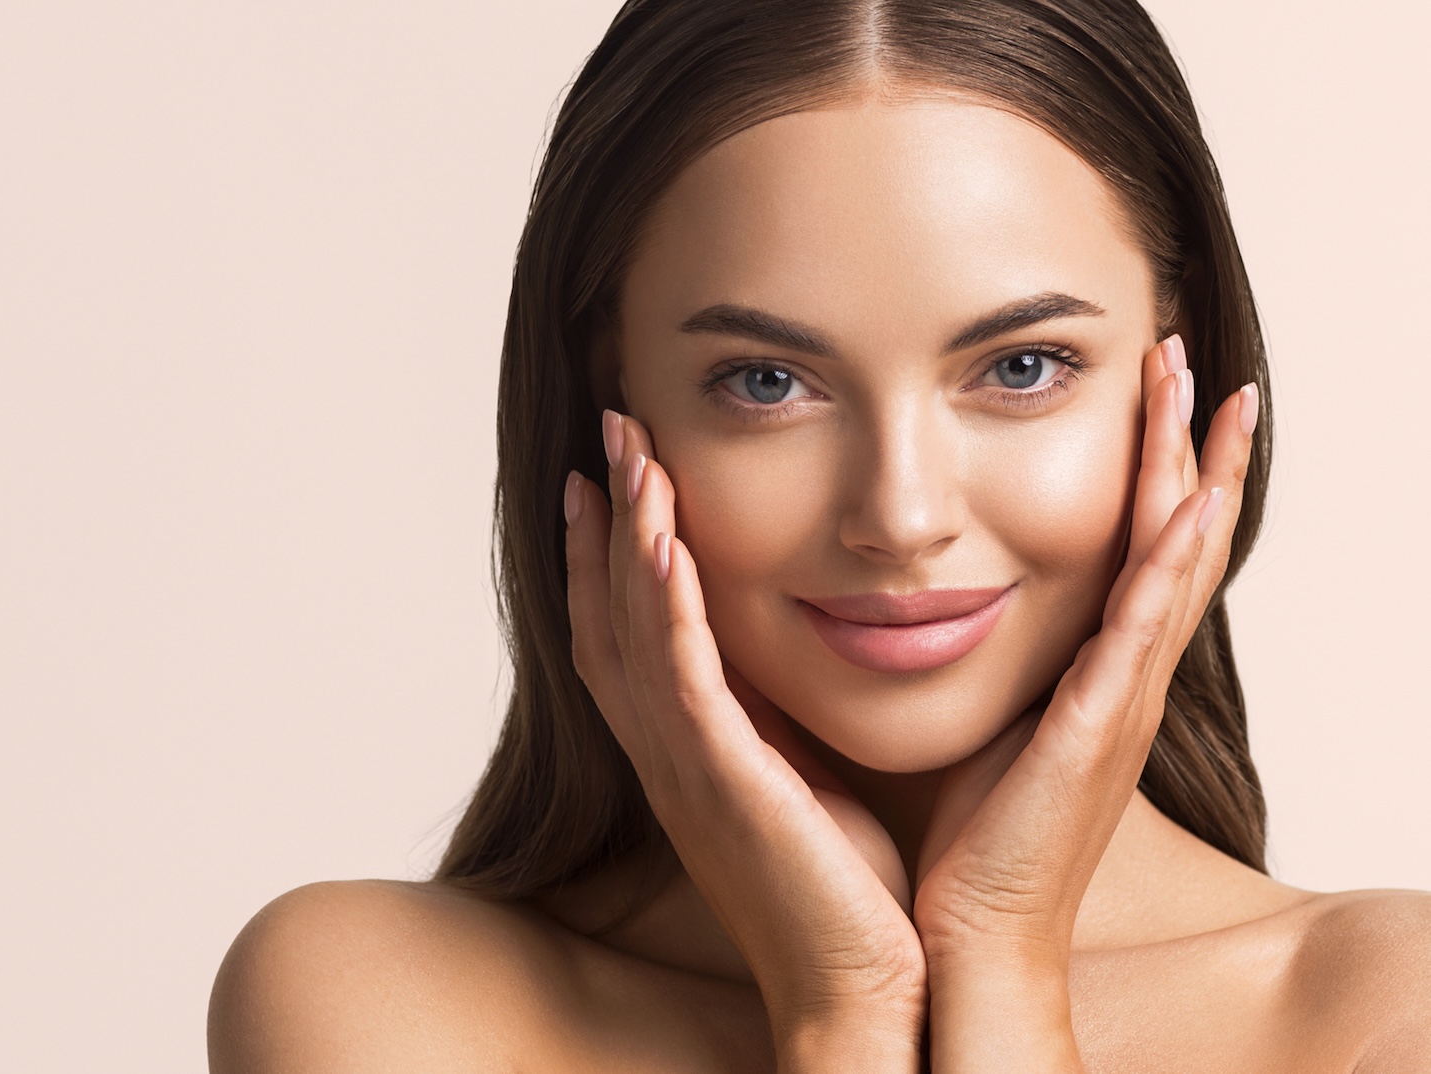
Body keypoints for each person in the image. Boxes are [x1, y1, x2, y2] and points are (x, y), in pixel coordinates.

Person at [207, 0, 1431, 1069]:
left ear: (1184, 384)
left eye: (1021, 365)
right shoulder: (380, 1004)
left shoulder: (1386, 1017)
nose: (901, 517)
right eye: (767, 384)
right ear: (610, 410)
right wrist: (842, 1011)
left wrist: (1002, 963)